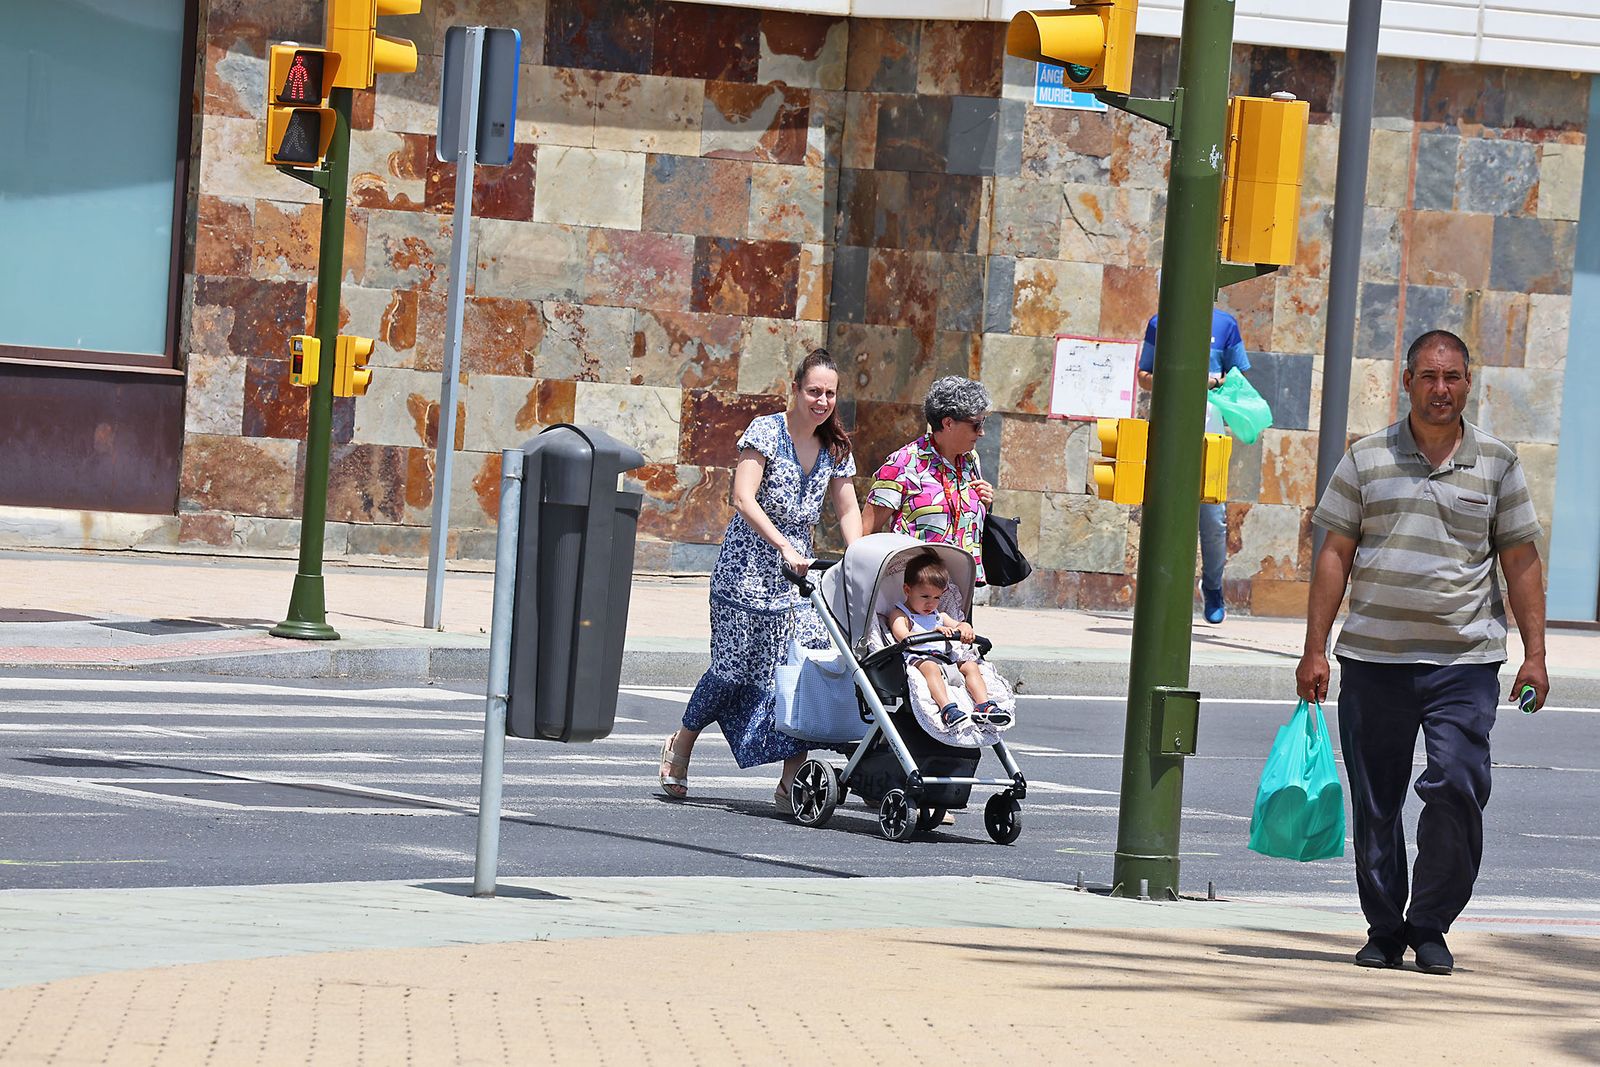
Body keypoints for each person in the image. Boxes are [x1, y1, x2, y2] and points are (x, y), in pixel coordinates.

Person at [1295, 329, 1547, 976]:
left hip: (1464, 662)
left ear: (1468, 383)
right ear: (1406, 381)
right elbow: (1334, 555)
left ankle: (1430, 923)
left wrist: (1535, 654)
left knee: (1458, 785)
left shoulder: (1497, 461)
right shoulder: (1366, 458)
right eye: (1430, 377)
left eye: (1453, 377)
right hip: (1374, 660)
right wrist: (1314, 649)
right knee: (1376, 800)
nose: (1442, 389)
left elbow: (1520, 560)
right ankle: (1385, 927)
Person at [659, 349, 863, 810]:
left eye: (830, 393)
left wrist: (859, 557)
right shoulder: (766, 431)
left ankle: (792, 781)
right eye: (814, 391)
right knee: (732, 671)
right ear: (795, 389)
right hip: (746, 570)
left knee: (801, 672)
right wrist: (783, 545)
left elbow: (848, 508)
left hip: (798, 580)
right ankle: (682, 743)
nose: (822, 401)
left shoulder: (836, 448)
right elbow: (743, 497)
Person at [1138, 307, 1251, 624]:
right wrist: (1174, 378)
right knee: (1166, 517)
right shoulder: (1160, 322)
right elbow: (1143, 376)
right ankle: (1165, 595)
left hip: (1209, 435)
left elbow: (1239, 380)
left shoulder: (1226, 323)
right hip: (1169, 434)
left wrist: (1211, 381)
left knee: (1214, 522)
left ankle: (1212, 586)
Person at [863, 376, 995, 583]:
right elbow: (866, 533)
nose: (982, 432)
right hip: (912, 593)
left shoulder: (970, 460)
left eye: (983, 423)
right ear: (948, 423)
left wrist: (986, 503)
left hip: (960, 588)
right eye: (976, 425)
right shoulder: (903, 463)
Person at [886, 552, 1011, 728]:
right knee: (930, 667)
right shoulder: (900, 614)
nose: (931, 604)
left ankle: (983, 706)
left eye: (937, 597)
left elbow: (960, 625)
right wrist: (933, 631)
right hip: (919, 659)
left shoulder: (940, 616)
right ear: (907, 590)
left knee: (970, 666)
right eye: (925, 597)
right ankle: (947, 709)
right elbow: (903, 637)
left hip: (945, 658)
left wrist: (965, 629)